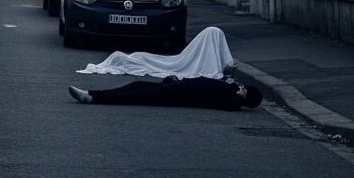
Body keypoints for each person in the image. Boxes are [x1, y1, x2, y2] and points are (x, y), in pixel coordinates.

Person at [68, 75, 262, 111]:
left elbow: (228, 104)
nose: (241, 87)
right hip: (180, 86)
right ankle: (92, 93)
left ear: (246, 97)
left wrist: (239, 97)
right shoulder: (231, 90)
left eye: (244, 90)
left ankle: (92, 99)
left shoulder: (232, 101)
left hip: (182, 94)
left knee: (135, 96)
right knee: (136, 85)